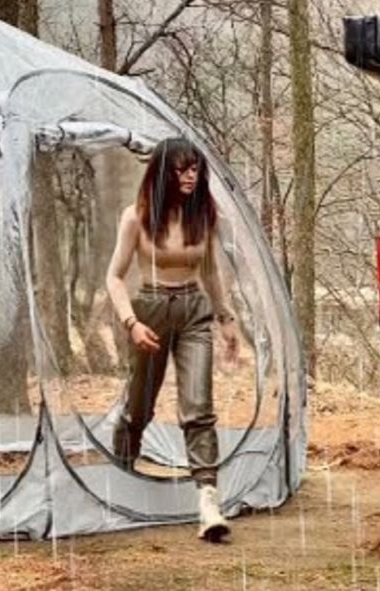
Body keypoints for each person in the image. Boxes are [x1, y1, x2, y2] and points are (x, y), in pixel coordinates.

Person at [106, 136, 240, 543]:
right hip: (149, 310)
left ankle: (208, 502)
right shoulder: (137, 217)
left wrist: (226, 318)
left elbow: (212, 271)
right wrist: (131, 322)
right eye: (182, 169)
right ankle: (124, 463)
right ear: (165, 172)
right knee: (139, 406)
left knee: (198, 406)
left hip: (193, 312)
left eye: (195, 169)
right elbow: (113, 276)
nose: (190, 176)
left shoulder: (204, 216)